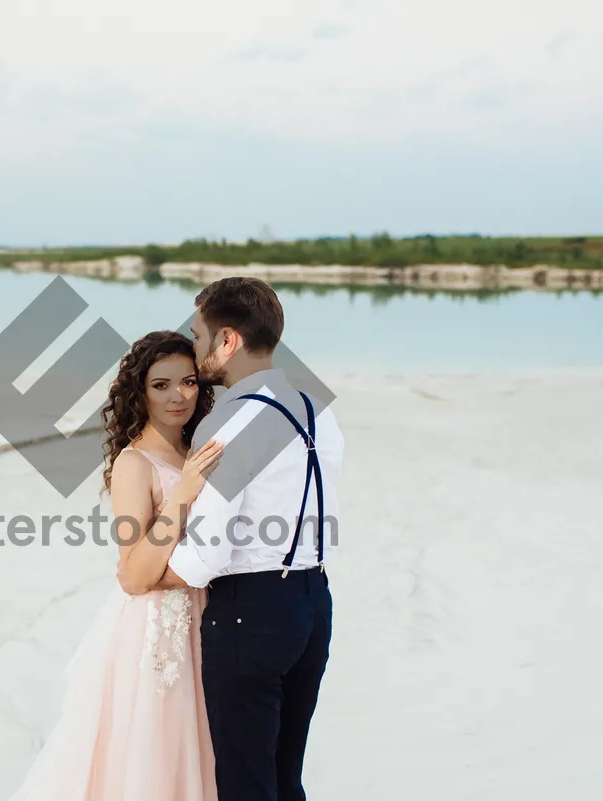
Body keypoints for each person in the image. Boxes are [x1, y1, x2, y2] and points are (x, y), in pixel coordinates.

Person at [127, 276, 345, 801]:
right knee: (284, 776)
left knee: (246, 784)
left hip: (251, 614)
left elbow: (206, 556)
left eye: (200, 339)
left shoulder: (228, 424)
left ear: (228, 341)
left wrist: (148, 573)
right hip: (313, 603)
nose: (196, 352)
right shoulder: (318, 409)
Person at [8, 330, 223, 801]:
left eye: (188, 382)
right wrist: (183, 494)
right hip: (158, 632)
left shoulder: (194, 451)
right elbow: (135, 574)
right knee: (154, 756)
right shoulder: (134, 463)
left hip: (207, 621)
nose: (178, 395)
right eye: (161, 384)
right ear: (139, 391)